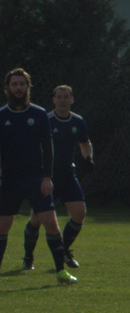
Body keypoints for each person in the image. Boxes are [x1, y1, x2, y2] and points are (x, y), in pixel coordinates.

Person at [0, 68, 74, 283]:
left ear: (28, 87)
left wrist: (47, 177)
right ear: (7, 88)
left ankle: (61, 271)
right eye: (14, 84)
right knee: (3, 226)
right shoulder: (2, 115)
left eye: (22, 84)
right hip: (10, 180)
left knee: (51, 222)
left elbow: (48, 147)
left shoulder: (39, 114)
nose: (18, 88)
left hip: (36, 179)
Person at [21, 85, 93, 271]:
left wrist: (88, 158)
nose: (62, 100)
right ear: (53, 100)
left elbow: (85, 143)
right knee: (37, 219)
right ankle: (28, 257)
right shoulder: (46, 120)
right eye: (59, 97)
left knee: (79, 212)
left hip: (68, 175)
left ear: (71, 99)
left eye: (66, 97)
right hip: (46, 176)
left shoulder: (77, 121)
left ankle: (64, 251)